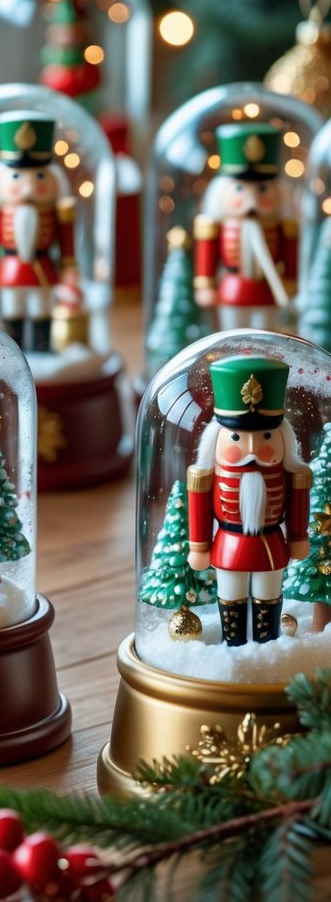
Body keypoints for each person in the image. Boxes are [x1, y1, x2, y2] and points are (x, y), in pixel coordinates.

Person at [186, 355, 311, 646]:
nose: (252, 448)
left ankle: (267, 645)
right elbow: (200, 509)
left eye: (266, 436)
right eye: (237, 438)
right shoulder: (208, 476)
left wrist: (298, 538)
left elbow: (295, 505)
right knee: (231, 597)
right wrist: (199, 546)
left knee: (269, 597)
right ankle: (235, 645)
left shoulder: (290, 474)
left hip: (271, 545)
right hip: (230, 543)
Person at [0, 111, 77, 353]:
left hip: (43, 269)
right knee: (12, 311)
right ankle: (15, 352)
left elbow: (65, 239)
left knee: (42, 311)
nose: (29, 186)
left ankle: (41, 350)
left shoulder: (55, 210)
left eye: (40, 176)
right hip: (11, 270)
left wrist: (69, 265)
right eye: (17, 176)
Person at [193, 122, 297, 330]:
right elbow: (208, 253)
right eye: (239, 188)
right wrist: (204, 284)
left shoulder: (282, 225)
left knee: (264, 335)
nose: (253, 200)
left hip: (267, 290)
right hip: (232, 288)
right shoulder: (217, 225)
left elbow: (289, 253)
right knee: (233, 335)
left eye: (263, 189)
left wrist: (290, 280)